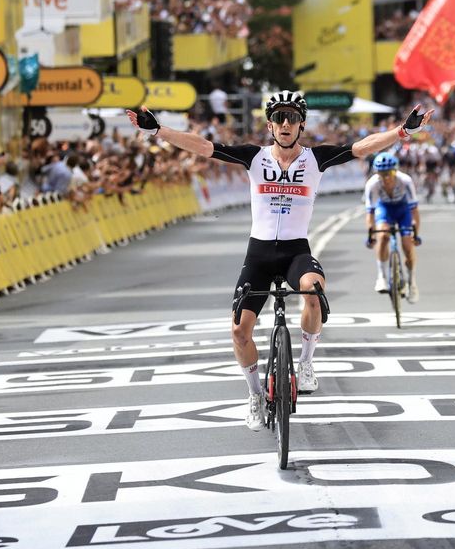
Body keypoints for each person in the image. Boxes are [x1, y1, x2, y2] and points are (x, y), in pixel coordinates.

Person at [126, 90, 432, 431]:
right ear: (270, 124)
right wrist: (158, 131)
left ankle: (305, 365)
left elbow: (362, 147)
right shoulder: (254, 157)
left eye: (293, 118)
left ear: (301, 124)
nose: (286, 124)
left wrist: (402, 132)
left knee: (313, 291)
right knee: (240, 331)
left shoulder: (316, 159)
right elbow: (203, 147)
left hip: (295, 253)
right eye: (280, 118)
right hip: (258, 255)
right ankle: (255, 395)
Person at [363, 151, 422, 302]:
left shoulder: (406, 181)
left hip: (403, 210)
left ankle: (412, 282)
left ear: (395, 171)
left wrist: (416, 233)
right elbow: (370, 213)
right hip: (385, 210)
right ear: (377, 173)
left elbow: (414, 210)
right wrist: (371, 234)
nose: (386, 177)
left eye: (389, 173)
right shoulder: (372, 184)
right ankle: (381, 276)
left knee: (407, 246)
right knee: (382, 236)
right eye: (382, 173)